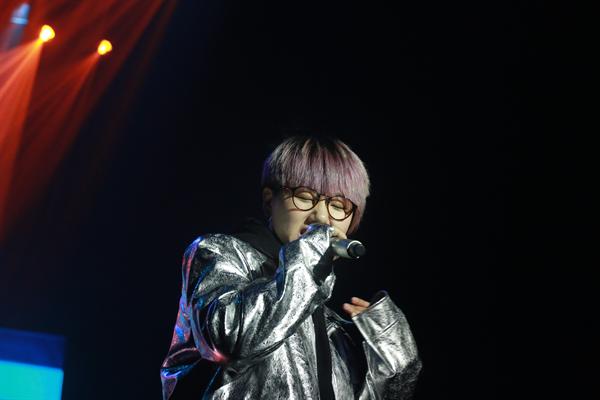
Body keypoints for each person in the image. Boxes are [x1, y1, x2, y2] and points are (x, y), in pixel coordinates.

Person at [160, 136, 422, 399]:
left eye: (338, 206)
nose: (321, 217)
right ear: (269, 200)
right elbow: (229, 338)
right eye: (305, 197)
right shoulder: (218, 252)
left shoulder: (331, 329)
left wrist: (396, 359)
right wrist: (309, 257)